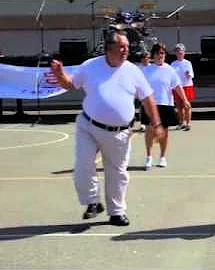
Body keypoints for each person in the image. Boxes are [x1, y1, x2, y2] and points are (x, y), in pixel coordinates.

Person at [50, 30, 164, 226]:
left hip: (119, 132)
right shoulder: (90, 66)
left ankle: (116, 212)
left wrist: (157, 123)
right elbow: (70, 85)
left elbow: (148, 98)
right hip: (88, 126)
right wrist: (60, 74)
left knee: (117, 173)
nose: (126, 50)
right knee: (83, 165)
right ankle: (93, 202)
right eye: (121, 47)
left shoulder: (133, 70)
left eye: (127, 47)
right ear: (108, 49)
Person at [141, 42, 191, 169]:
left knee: (164, 133)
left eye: (162, 53)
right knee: (149, 131)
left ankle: (162, 157)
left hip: (166, 104)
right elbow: (139, 88)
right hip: (150, 104)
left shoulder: (170, 70)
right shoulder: (147, 70)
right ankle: (149, 157)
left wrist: (185, 100)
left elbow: (177, 86)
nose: (160, 56)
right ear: (153, 55)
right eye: (158, 54)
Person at [171, 43, 195, 131]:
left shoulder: (188, 63)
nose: (179, 53)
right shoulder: (173, 64)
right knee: (179, 106)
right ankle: (181, 123)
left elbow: (192, 74)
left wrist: (189, 74)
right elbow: (171, 76)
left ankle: (188, 123)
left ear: (184, 53)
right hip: (177, 87)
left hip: (187, 86)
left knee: (187, 105)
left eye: (181, 52)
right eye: (177, 52)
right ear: (175, 53)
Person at [137, 51, 152, 132]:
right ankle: (142, 124)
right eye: (144, 58)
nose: (146, 59)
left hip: (150, 90)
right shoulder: (138, 68)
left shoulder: (152, 67)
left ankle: (149, 123)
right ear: (141, 59)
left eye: (147, 58)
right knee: (142, 108)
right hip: (141, 91)